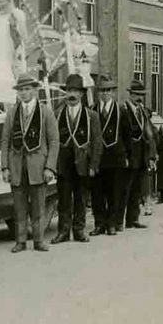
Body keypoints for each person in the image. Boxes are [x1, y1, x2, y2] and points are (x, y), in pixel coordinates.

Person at [0, 73, 59, 253]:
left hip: (38, 167)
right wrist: (5, 167)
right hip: (17, 166)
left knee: (38, 205)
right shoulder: (12, 112)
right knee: (19, 206)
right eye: (21, 90)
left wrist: (50, 167)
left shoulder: (45, 111)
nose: (24, 93)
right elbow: (5, 141)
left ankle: (39, 240)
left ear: (34, 90)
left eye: (27, 89)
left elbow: (54, 141)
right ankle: (20, 241)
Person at [51, 74, 103, 245]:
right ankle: (63, 231)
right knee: (64, 199)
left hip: (83, 164)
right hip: (63, 164)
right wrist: (52, 165)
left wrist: (94, 165)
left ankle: (79, 230)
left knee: (81, 198)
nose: (72, 95)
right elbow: (51, 141)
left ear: (81, 94)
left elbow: (97, 143)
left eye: (75, 91)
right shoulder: (57, 114)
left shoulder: (91, 116)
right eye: (69, 91)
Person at [92, 76, 127, 236]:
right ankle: (99, 223)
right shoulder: (92, 110)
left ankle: (112, 223)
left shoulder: (121, 111)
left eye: (108, 90)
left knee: (115, 192)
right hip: (98, 158)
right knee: (97, 193)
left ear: (113, 92)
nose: (105, 94)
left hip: (116, 157)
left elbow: (127, 136)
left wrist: (127, 156)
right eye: (102, 91)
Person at [120, 80, 157, 230]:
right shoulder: (123, 110)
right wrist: (124, 156)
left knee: (136, 190)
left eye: (141, 95)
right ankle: (119, 221)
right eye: (136, 95)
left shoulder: (142, 111)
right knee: (124, 190)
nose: (139, 98)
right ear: (130, 94)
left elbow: (150, 135)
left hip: (141, 157)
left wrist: (151, 156)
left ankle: (132, 219)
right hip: (128, 156)